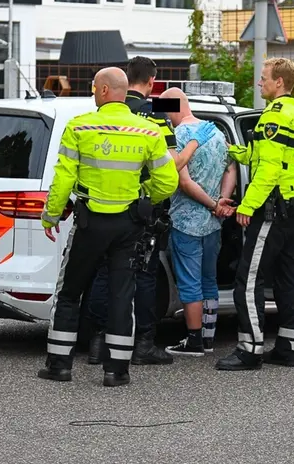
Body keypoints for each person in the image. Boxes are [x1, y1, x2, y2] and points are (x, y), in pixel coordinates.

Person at [38, 66, 179, 387]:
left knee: (70, 293)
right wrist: (145, 198)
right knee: (122, 295)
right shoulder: (149, 130)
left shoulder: (79, 127)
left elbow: (63, 179)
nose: (91, 92)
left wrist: (51, 215)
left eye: (92, 88)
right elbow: (167, 181)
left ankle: (59, 365)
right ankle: (117, 371)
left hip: (89, 223)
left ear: (103, 91)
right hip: (129, 224)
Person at [85, 57, 216, 366]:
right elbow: (171, 167)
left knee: (104, 275)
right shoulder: (154, 115)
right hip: (143, 212)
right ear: (153, 83)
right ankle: (143, 344)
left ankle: (98, 343)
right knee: (144, 276)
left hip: (103, 207)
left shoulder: (102, 113)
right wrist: (196, 142)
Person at [215, 57, 294, 371]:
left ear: (279, 83)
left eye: (263, 79)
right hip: (293, 213)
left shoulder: (274, 117)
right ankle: (288, 348)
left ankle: (250, 350)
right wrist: (232, 150)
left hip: (271, 211)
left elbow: (268, 170)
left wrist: (246, 207)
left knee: (248, 281)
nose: (260, 84)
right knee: (288, 280)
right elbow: (261, 157)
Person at [158, 88, 238, 357]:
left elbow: (184, 182)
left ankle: (193, 341)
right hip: (213, 224)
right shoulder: (216, 132)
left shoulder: (178, 136)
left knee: (190, 283)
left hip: (186, 221)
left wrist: (213, 204)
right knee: (209, 280)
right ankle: (208, 338)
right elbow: (231, 168)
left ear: (172, 109)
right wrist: (222, 201)